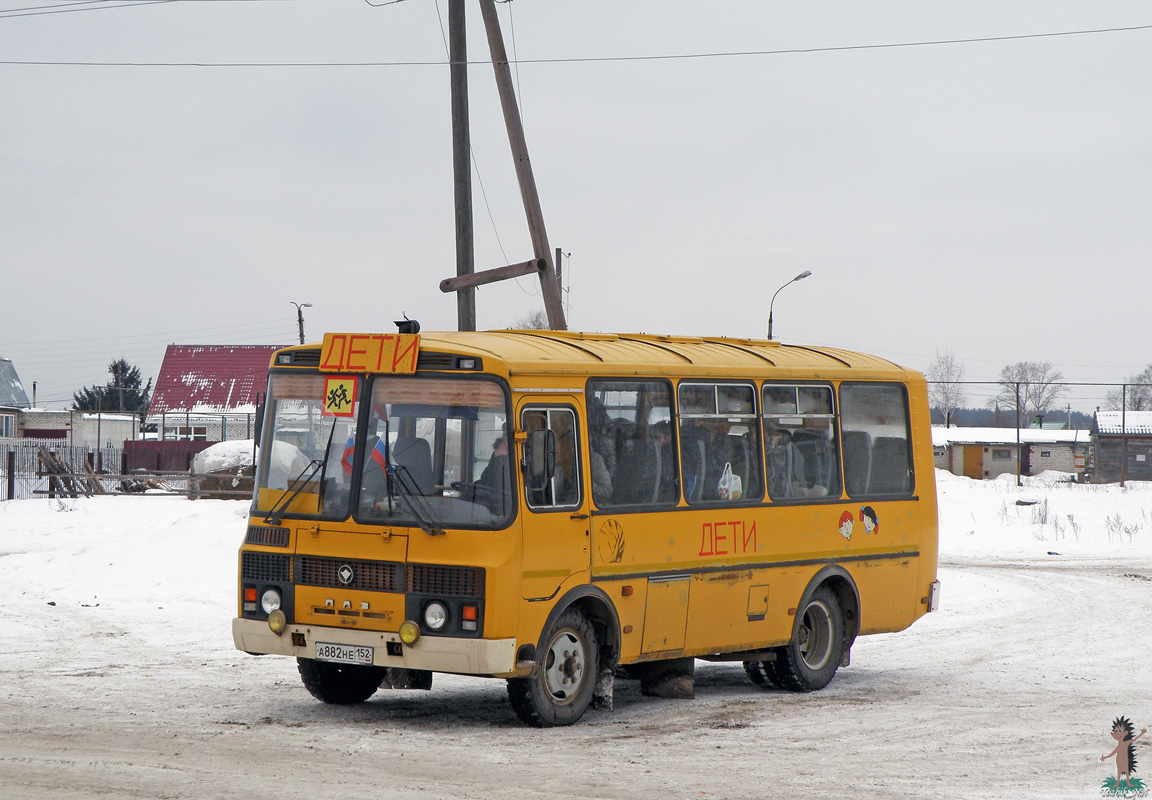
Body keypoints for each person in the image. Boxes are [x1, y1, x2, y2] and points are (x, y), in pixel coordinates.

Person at [475, 436, 510, 516]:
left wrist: (501, 458)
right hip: (490, 503)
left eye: (506, 434)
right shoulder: (499, 454)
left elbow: (502, 486)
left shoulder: (521, 456)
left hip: (504, 512)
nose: (504, 437)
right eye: (504, 434)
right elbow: (486, 479)